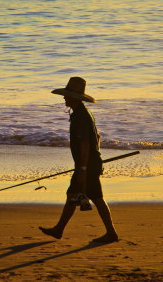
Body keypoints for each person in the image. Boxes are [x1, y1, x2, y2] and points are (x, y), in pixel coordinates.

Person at [39, 77, 119, 243]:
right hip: (89, 163)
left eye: (67, 95)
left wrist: (82, 168)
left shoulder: (81, 116)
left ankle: (111, 233)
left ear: (75, 97)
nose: (64, 97)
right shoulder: (81, 113)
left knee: (96, 198)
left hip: (87, 165)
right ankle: (59, 229)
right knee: (74, 195)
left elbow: (84, 144)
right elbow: (97, 137)